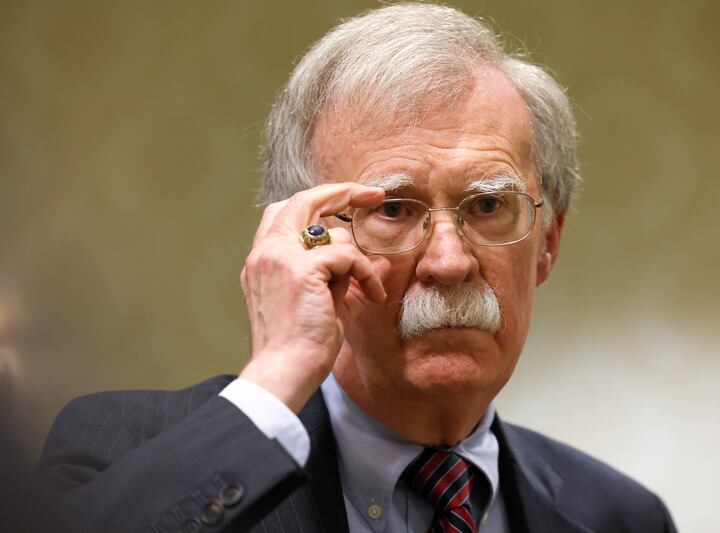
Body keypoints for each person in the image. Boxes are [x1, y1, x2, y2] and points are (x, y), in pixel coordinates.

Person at [37, 4, 677, 532]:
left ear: (548, 244)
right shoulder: (120, 447)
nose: (449, 262)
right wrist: (277, 378)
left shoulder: (622, 516)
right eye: (394, 209)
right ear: (305, 243)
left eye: (488, 205)